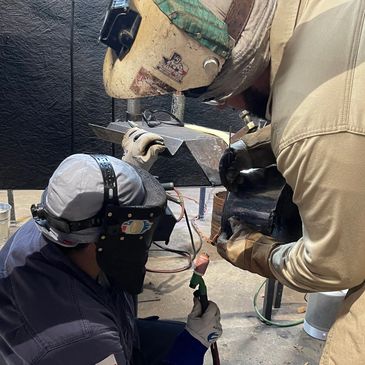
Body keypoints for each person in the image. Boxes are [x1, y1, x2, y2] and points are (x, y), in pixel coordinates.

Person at [101, 1, 365, 364]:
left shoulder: (316, 130)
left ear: (226, 62)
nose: (222, 106)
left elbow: (333, 266)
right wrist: (252, 147)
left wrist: (255, 252)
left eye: (208, 92)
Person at [0, 153, 222, 365]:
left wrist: (127, 176)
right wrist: (193, 345)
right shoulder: (85, 338)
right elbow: (85, 343)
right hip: (73, 350)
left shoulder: (51, 227)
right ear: (106, 235)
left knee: (173, 335)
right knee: (184, 343)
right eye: (139, 225)